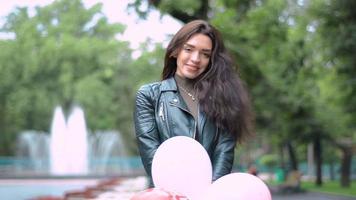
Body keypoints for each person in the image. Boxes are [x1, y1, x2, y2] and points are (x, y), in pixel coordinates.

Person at [133, 19, 254, 187]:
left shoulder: (223, 98)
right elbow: (151, 154)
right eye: (189, 49)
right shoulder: (149, 96)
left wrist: (210, 192)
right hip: (167, 192)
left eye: (205, 54)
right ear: (175, 51)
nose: (196, 59)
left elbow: (224, 152)